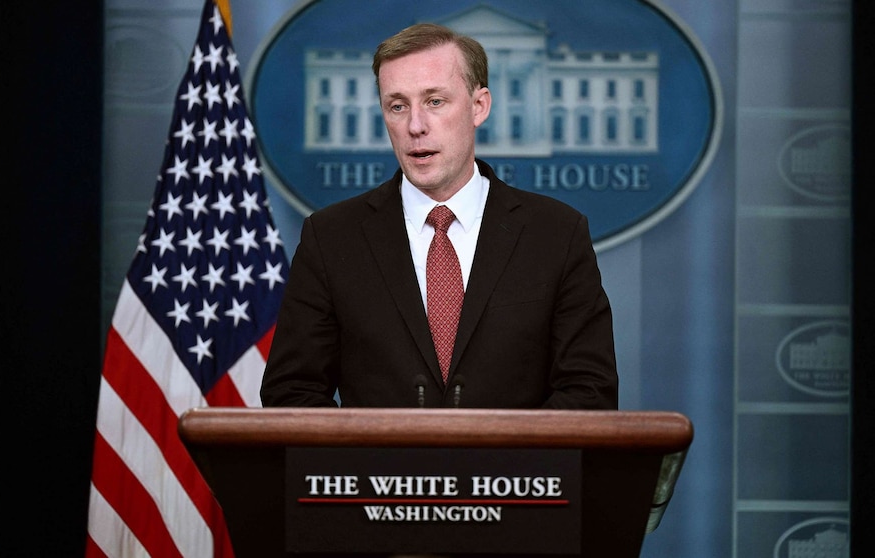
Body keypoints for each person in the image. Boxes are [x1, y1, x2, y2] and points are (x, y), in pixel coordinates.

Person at [260, 23, 618, 409]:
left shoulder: (556, 235)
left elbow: (590, 392)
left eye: (434, 101)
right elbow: (291, 392)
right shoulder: (331, 238)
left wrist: (505, 449)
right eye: (398, 106)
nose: (415, 126)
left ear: (479, 106)